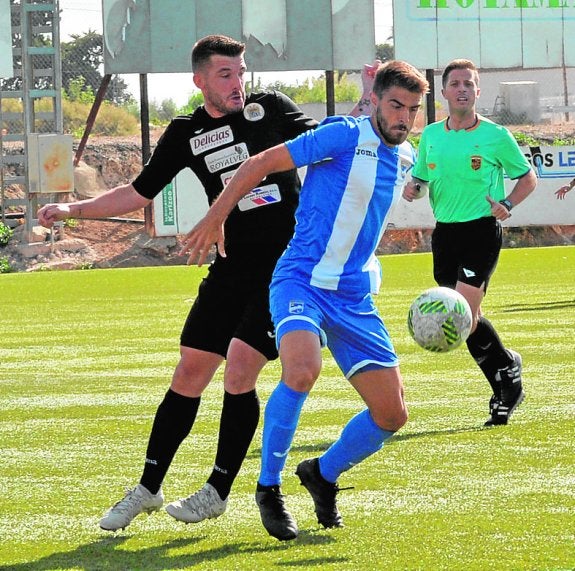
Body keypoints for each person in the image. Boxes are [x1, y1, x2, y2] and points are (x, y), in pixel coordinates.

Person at [38, 35, 376, 532]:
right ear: (199, 81)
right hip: (231, 267)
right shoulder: (185, 131)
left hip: (285, 271)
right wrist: (72, 208)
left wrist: (368, 97)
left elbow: (337, 135)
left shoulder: (271, 110)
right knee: (189, 372)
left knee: (240, 370)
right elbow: (137, 191)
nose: (238, 83)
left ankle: (217, 490)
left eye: (241, 73)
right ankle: (147, 488)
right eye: (226, 75)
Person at [180, 60, 429, 541]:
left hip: (353, 295)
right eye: (396, 105)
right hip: (302, 280)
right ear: (375, 100)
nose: (404, 117)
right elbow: (258, 163)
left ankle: (322, 473)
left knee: (392, 415)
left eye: (413, 109)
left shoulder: (404, 155)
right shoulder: (340, 135)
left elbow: (395, 195)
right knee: (301, 370)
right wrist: (217, 216)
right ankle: (268, 487)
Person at [403, 59, 537, 427]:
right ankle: (507, 365)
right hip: (444, 233)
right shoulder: (430, 135)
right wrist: (413, 188)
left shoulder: (495, 135)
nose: (462, 88)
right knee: (464, 318)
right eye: (456, 83)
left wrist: (507, 204)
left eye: (469, 84)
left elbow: (528, 178)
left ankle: (506, 386)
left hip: (480, 230)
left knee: (461, 313)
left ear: (478, 92)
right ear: (444, 91)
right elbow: (418, 178)